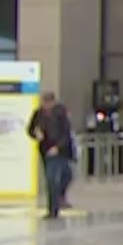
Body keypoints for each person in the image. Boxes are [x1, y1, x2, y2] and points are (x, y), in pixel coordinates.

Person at [27, 91, 76, 219]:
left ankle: (59, 196)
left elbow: (66, 133)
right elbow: (30, 129)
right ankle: (53, 209)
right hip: (46, 151)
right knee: (50, 179)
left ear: (53, 102)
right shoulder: (38, 114)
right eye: (44, 103)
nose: (45, 106)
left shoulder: (61, 113)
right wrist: (36, 134)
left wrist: (58, 147)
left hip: (61, 150)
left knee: (67, 175)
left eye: (48, 103)